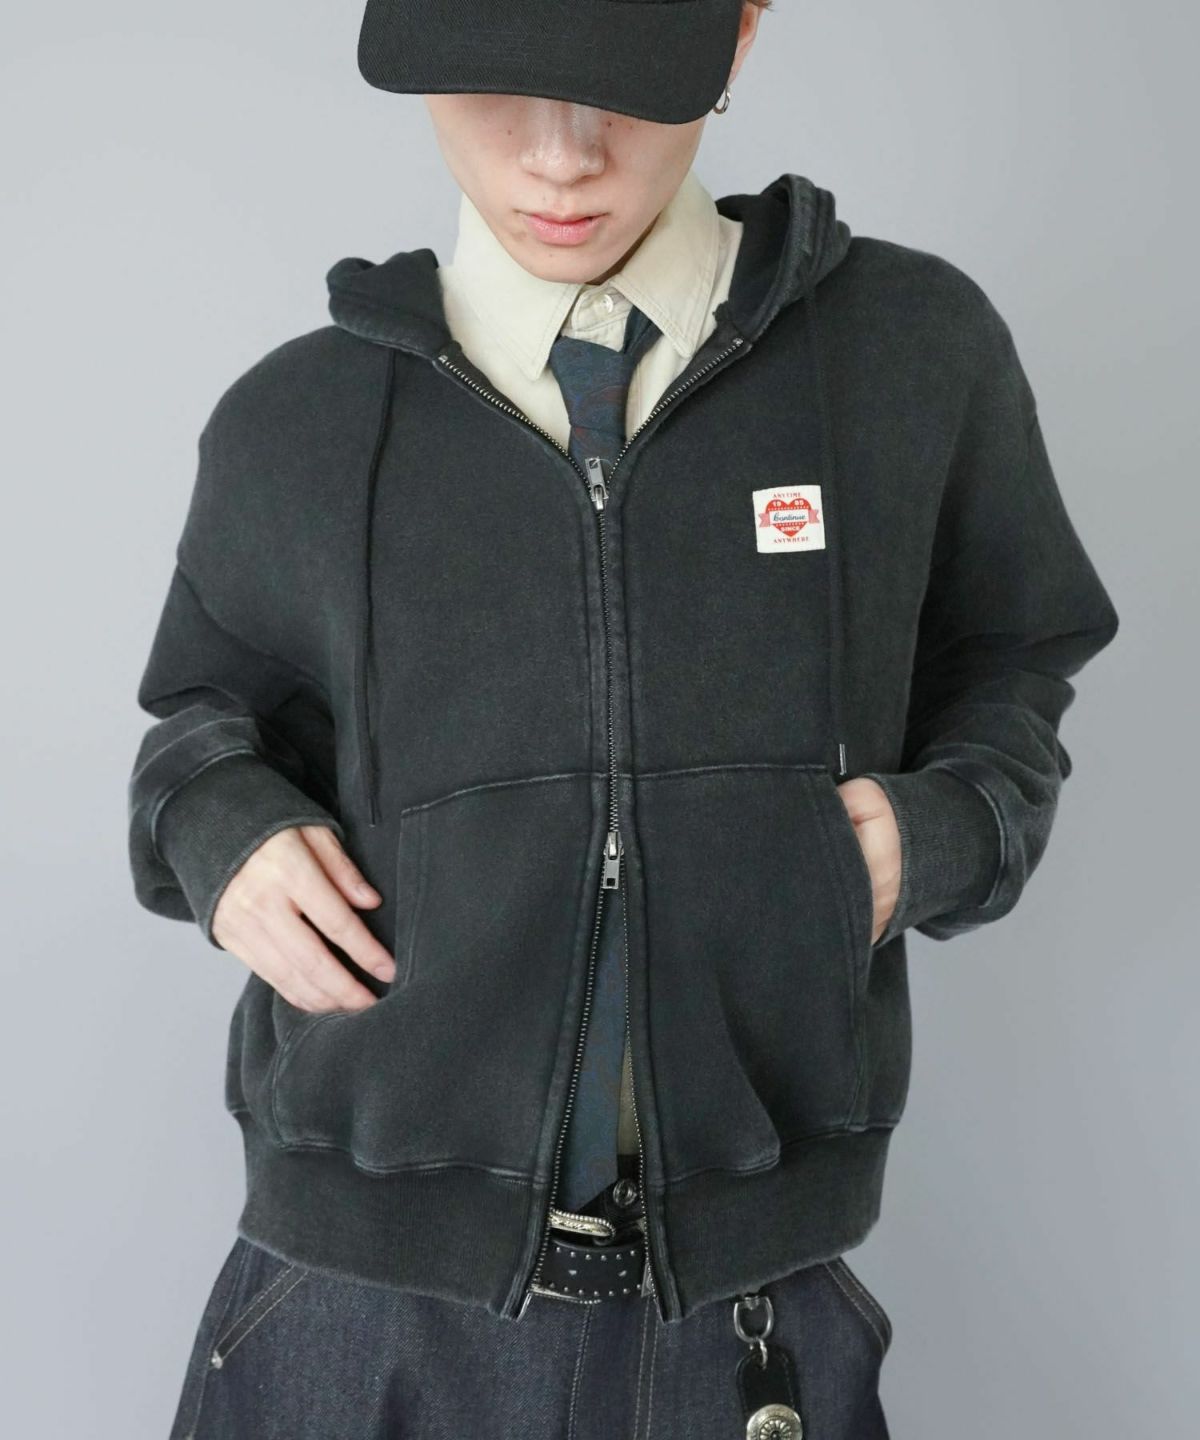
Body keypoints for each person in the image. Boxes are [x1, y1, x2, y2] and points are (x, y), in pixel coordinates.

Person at [126, 2, 1120, 1435]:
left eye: (619, 92)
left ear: (740, 32)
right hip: (353, 1307)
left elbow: (1017, 656)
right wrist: (223, 833)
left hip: (743, 1311)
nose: (561, 157)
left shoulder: (909, 354)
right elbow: (198, 722)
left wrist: (949, 830)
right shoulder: (296, 419)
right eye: (500, 90)